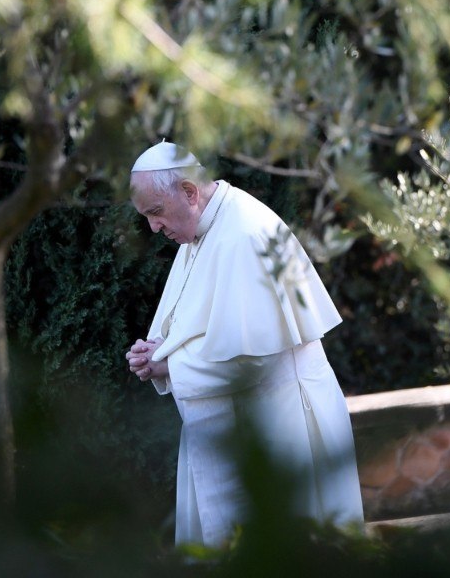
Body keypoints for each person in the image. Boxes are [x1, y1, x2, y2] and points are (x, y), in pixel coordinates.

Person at [125, 141, 364, 548]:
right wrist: (157, 350)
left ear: (188, 192)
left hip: (285, 424)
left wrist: (172, 366)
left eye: (155, 212)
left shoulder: (243, 233)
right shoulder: (203, 230)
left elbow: (255, 357)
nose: (152, 227)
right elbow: (200, 324)